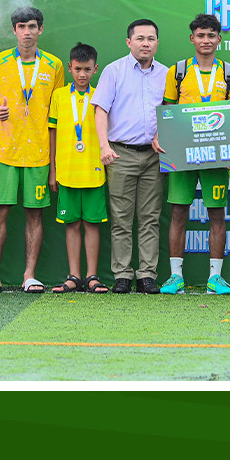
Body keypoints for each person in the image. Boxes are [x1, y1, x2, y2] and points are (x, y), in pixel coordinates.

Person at [0, 5, 65, 292]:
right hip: (4, 151)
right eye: (21, 27)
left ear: (41, 29)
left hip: (39, 153)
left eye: (32, 26)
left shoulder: (54, 65)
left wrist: (54, 166)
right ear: (14, 30)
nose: (27, 32)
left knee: (35, 214)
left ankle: (30, 275)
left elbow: (56, 114)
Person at [160, 12, 230, 295]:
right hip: (182, 154)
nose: (206, 40)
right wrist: (160, 136)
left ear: (219, 39)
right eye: (200, 35)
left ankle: (215, 278)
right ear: (192, 38)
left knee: (217, 214)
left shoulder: (229, 73)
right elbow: (168, 109)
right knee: (178, 212)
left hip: (215, 154)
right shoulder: (178, 71)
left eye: (211, 36)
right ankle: (175, 276)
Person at [92, 18, 168, 292]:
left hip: (154, 156)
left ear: (157, 43)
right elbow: (100, 110)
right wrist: (104, 146)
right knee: (121, 218)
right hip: (120, 154)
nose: (145, 43)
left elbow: (171, 113)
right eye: (140, 38)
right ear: (129, 42)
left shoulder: (167, 74)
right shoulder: (114, 71)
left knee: (150, 218)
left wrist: (163, 134)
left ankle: (147, 274)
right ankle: (122, 275)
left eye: (151, 39)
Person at [49, 43, 109, 293]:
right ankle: (74, 275)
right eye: (77, 69)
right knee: (71, 224)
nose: (82, 74)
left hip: (94, 171)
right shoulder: (59, 96)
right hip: (66, 171)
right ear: (69, 68)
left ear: (95, 69)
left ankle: (92, 276)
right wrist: (53, 170)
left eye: (87, 69)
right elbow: (52, 133)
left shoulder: (101, 96)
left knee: (92, 224)